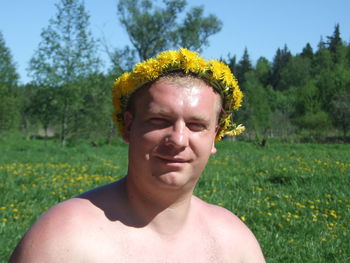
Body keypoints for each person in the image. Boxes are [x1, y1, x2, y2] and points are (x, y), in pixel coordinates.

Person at [10, 49, 265, 262]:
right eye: (159, 120)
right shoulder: (61, 239)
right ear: (129, 126)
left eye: (196, 125)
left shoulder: (235, 243)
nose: (177, 139)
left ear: (215, 136)